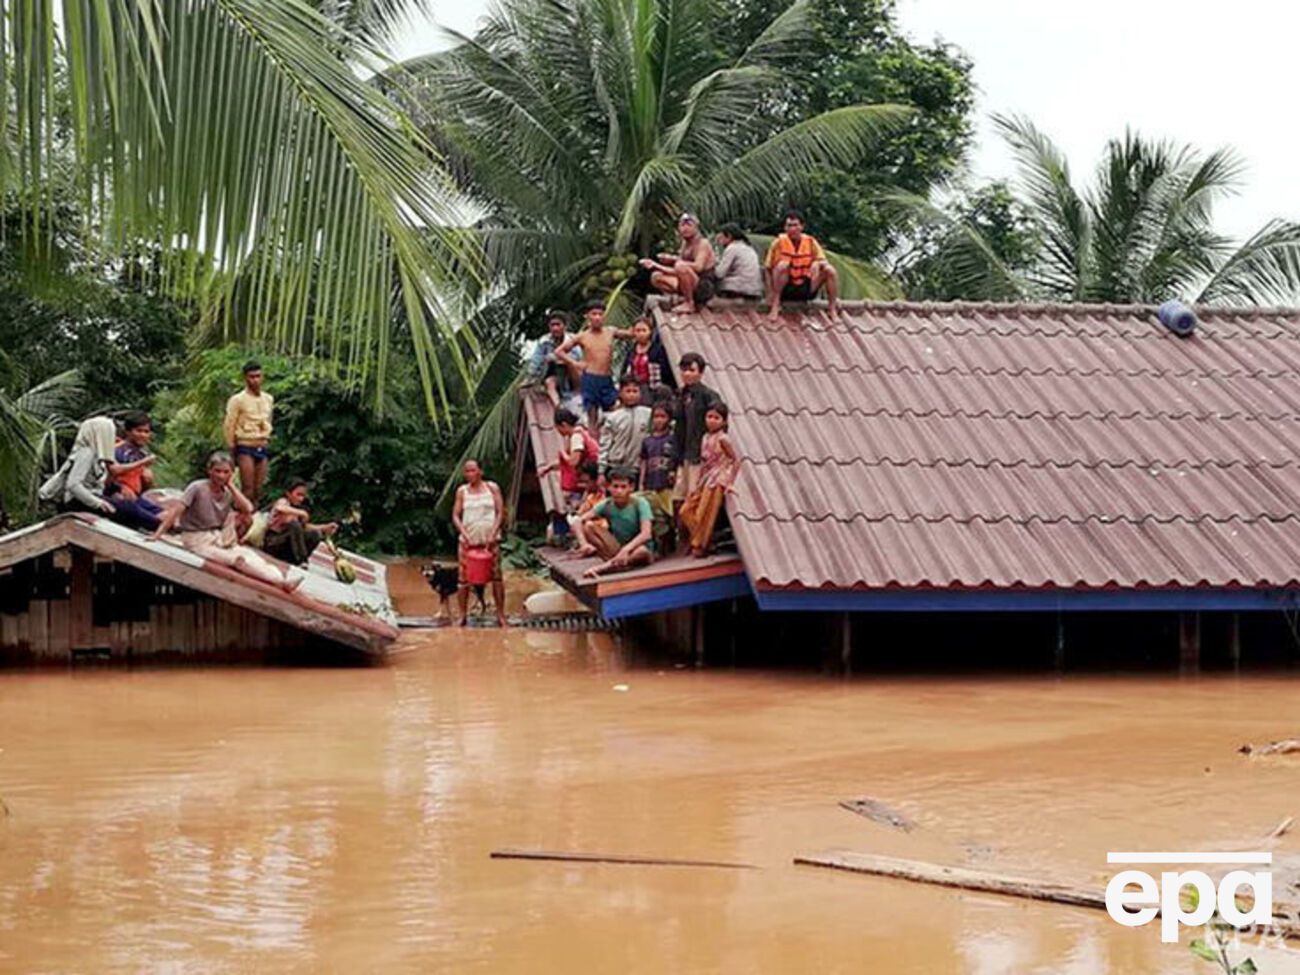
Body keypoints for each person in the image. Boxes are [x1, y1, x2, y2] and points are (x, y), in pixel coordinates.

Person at [152, 452, 302, 592]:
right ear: (209, 471)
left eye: (226, 472)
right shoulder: (197, 487)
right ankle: (280, 583)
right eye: (217, 471)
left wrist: (231, 485)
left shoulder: (228, 493)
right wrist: (158, 534)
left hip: (219, 536)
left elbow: (248, 508)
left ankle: (282, 580)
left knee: (253, 557)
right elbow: (176, 511)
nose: (221, 476)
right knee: (238, 560)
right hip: (197, 538)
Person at [678, 402, 741, 557]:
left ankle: (700, 545)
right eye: (709, 417)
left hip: (718, 478)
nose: (712, 420)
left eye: (716, 418)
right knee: (686, 510)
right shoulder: (705, 437)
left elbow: (736, 460)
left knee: (706, 512)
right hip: (706, 477)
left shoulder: (723, 439)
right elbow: (704, 463)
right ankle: (702, 540)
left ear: (724, 422)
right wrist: (698, 482)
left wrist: (730, 482)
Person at [451, 459, 507, 627]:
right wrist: (464, 533)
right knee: (463, 580)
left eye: (473, 470)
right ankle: (462, 615)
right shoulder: (462, 491)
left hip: (490, 542)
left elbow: (500, 512)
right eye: (467, 471)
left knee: (496, 578)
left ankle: (500, 614)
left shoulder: (492, 488)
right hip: (468, 543)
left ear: (480, 471)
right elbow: (455, 515)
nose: (470, 474)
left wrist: (494, 532)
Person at [574, 468, 656, 577]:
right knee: (588, 526)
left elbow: (646, 534)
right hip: (617, 548)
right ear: (609, 487)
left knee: (642, 551)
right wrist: (583, 544)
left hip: (638, 548)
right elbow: (578, 520)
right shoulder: (607, 504)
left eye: (623, 487)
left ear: (631, 488)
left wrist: (626, 549)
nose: (619, 491)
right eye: (615, 486)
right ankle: (616, 563)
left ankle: (605, 567)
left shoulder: (640, 503)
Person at [764, 209, 840, 319]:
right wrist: (769, 293)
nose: (792, 229)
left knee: (830, 270)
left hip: (806, 286)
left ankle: (832, 309)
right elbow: (767, 268)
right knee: (782, 266)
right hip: (786, 288)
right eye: (789, 226)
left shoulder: (810, 242)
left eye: (795, 225)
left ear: (801, 227)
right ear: (785, 228)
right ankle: (776, 305)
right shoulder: (778, 243)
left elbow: (823, 260)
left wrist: (817, 263)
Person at [537, 407, 599, 541]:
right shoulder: (579, 434)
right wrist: (548, 467)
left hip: (580, 483)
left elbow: (573, 461)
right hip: (581, 481)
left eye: (558, 428)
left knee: (576, 514)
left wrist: (563, 453)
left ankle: (581, 540)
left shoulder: (576, 437)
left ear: (564, 425)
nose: (558, 432)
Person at [671, 352, 721, 514]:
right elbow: (678, 426)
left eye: (691, 370)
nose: (687, 374)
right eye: (684, 370)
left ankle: (693, 537)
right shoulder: (680, 394)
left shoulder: (709, 396)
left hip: (699, 455)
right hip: (683, 454)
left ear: (700, 372)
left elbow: (719, 425)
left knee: (693, 500)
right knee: (677, 498)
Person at [38, 417, 118, 518]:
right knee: (131, 511)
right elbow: (73, 485)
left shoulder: (95, 456)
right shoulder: (87, 452)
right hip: (78, 501)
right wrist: (98, 503)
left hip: (87, 498)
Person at [639, 213, 718, 314]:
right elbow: (677, 270)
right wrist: (655, 265)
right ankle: (683, 297)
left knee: (680, 266)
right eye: (682, 225)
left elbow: (698, 267)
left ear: (696, 228)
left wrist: (676, 261)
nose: (685, 228)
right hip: (688, 282)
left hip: (703, 286)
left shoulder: (703, 243)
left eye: (689, 225)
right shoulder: (685, 244)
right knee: (656, 276)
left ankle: (689, 303)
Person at [556, 301, 617, 430]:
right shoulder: (582, 336)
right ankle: (593, 441)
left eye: (600, 314)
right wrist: (575, 363)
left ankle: (608, 436)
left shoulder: (610, 331)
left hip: (607, 377)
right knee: (592, 413)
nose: (597, 317)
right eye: (594, 314)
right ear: (587, 316)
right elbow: (559, 351)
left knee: (613, 409)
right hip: (590, 377)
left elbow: (631, 334)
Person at [224, 360, 274, 508]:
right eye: (252, 377)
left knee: (258, 490)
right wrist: (231, 447)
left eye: (258, 376)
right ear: (245, 378)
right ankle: (242, 517)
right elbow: (229, 424)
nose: (255, 380)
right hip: (245, 444)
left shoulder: (268, 399)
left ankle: (254, 516)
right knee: (248, 489)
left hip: (262, 443)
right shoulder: (238, 400)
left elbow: (269, 419)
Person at [105, 411, 164, 531]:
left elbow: (143, 486)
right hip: (116, 497)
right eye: (139, 431)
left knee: (166, 515)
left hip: (136, 498)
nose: (143, 435)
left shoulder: (141, 454)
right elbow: (110, 474)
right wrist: (119, 487)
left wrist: (148, 481)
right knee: (156, 522)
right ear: (128, 432)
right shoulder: (118, 450)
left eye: (146, 432)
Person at [262, 479, 338, 565]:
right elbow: (279, 507)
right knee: (294, 525)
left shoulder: (297, 509)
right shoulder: (284, 502)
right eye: (298, 495)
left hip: (287, 547)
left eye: (303, 496)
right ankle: (302, 559)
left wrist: (324, 527)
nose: (301, 499)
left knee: (315, 534)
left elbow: (304, 527)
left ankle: (296, 559)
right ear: (288, 493)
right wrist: (302, 513)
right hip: (273, 542)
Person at [597, 377, 651, 488]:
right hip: (615, 466)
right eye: (628, 391)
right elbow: (605, 445)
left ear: (640, 393)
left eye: (635, 391)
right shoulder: (613, 417)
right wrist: (601, 471)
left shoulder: (648, 414)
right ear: (620, 393)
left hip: (637, 467)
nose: (631, 395)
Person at [639, 401, 678, 551]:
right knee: (656, 516)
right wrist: (642, 482)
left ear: (669, 419)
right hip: (651, 483)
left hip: (667, 483)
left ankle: (672, 543)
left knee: (670, 514)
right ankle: (661, 545)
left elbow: (676, 460)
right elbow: (643, 462)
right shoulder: (647, 441)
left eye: (663, 416)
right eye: (656, 416)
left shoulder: (672, 439)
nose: (659, 420)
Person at [526, 311, 584, 410]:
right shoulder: (544, 341)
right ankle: (559, 408)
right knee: (549, 382)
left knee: (566, 362)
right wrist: (531, 376)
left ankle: (578, 392)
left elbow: (578, 358)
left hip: (574, 375)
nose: (555, 328)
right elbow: (536, 360)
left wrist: (559, 357)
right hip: (556, 375)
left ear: (565, 326)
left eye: (558, 325)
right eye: (552, 325)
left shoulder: (572, 340)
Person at [617, 317, 676, 400]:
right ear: (634, 332)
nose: (641, 334)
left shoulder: (657, 350)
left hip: (654, 389)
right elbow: (624, 371)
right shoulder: (631, 351)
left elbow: (666, 372)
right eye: (638, 330)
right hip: (635, 390)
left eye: (644, 330)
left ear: (650, 332)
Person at [714, 224, 764, 299]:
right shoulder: (748, 247)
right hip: (755, 287)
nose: (720, 240)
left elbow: (719, 273)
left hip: (739, 286)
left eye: (721, 237)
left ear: (729, 236)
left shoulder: (732, 248)